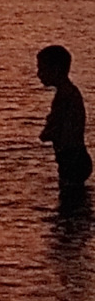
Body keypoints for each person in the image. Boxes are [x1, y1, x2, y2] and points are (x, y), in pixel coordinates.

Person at [39, 46, 92, 201]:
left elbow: (53, 128)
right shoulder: (69, 92)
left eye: (42, 69)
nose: (39, 74)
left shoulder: (64, 96)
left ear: (55, 70)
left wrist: (46, 132)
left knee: (69, 202)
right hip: (75, 156)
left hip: (72, 158)